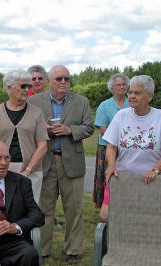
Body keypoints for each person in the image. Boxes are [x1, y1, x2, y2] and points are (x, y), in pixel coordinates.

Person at [28, 65, 94, 263]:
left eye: (66, 78)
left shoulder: (81, 101)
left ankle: (74, 250)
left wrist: (70, 130)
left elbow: (89, 127)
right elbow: (26, 128)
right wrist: (43, 129)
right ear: (49, 81)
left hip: (72, 162)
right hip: (45, 160)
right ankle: (43, 249)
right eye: (59, 79)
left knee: (74, 208)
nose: (63, 82)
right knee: (43, 208)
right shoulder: (33, 101)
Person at [0, 70, 48, 204]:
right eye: (23, 86)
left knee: (29, 210)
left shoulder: (37, 113)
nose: (27, 90)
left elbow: (42, 145)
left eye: (29, 87)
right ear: (9, 87)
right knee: (2, 208)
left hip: (31, 170)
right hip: (0, 169)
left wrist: (27, 171)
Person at [102, 75, 161, 222]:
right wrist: (111, 165)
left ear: (150, 96)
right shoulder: (121, 115)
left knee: (146, 219)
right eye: (130, 92)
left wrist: (155, 170)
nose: (131, 96)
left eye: (137, 93)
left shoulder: (159, 117)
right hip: (122, 177)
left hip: (151, 180)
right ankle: (116, 242)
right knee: (105, 215)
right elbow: (111, 146)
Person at [93, 73, 130, 208]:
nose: (121, 87)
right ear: (112, 88)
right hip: (106, 147)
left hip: (127, 148)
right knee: (106, 176)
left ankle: (124, 203)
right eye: (118, 85)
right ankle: (105, 205)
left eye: (123, 84)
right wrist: (117, 139)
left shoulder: (131, 103)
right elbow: (101, 127)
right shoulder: (104, 105)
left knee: (123, 175)